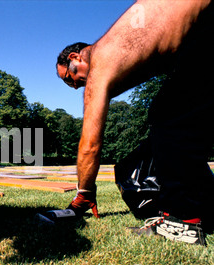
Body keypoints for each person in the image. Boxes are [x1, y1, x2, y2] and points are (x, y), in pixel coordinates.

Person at [52, 0, 214, 245]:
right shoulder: (125, 53)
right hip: (200, 35)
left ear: (76, 58)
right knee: (174, 116)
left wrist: (84, 193)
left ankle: (184, 219)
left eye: (69, 78)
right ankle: (207, 207)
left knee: (168, 116)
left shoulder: (100, 62)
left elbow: (90, 144)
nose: (75, 87)